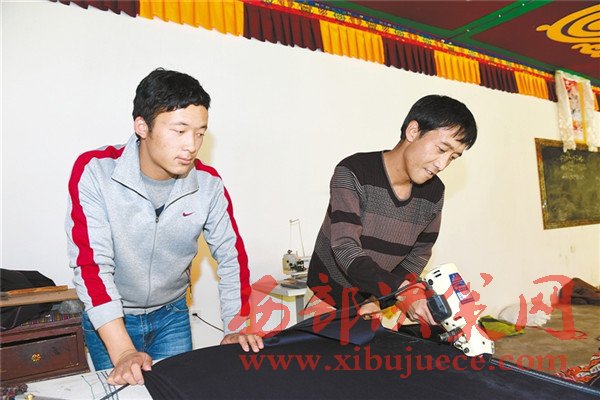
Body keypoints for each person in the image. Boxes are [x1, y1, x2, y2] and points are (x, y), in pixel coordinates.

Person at [65, 68, 263, 386]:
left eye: (200, 133)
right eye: (180, 131)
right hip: (113, 319)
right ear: (142, 126)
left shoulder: (208, 185)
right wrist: (123, 351)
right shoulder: (95, 172)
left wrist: (237, 327)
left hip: (172, 316)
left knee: (177, 392)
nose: (191, 146)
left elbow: (232, 257)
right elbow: (91, 266)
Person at [307, 94, 477, 327]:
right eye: (441, 149)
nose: (442, 164)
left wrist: (379, 298)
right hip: (328, 296)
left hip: (381, 299)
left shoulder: (434, 192)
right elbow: (345, 247)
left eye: (453, 157)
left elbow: (418, 254)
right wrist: (401, 291)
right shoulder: (354, 171)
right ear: (413, 131)